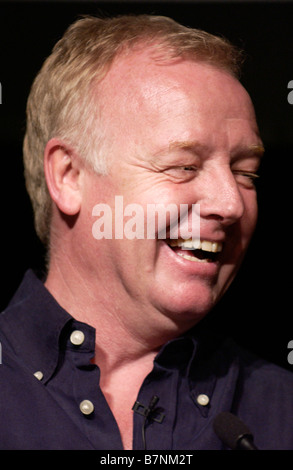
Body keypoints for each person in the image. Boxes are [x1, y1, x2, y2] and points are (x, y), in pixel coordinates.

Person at [0, 13, 292, 451]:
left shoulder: (281, 411)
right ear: (69, 175)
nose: (231, 204)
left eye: (245, 173)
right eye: (184, 166)